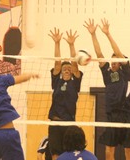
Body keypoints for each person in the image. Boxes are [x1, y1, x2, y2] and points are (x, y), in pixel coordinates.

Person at [84, 18, 130, 160]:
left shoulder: (126, 73)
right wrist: (93, 34)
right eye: (111, 60)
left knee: (128, 151)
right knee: (109, 151)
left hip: (127, 115)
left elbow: (118, 53)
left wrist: (107, 34)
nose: (113, 62)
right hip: (112, 115)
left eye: (115, 60)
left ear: (120, 63)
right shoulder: (107, 74)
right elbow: (99, 54)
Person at [48, 28, 83, 160]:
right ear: (61, 71)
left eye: (69, 69)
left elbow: (75, 64)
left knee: (71, 153)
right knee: (56, 155)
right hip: (56, 123)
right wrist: (57, 43)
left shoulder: (75, 82)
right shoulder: (57, 80)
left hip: (69, 123)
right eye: (64, 69)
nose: (67, 70)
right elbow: (57, 63)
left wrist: (71, 44)